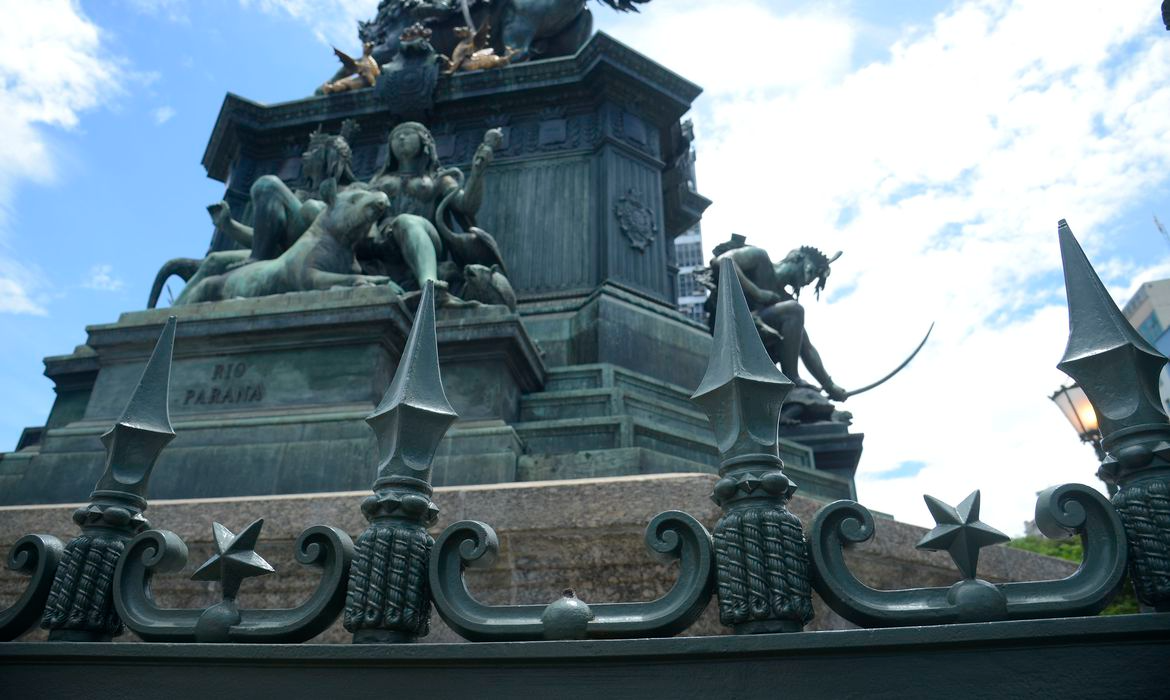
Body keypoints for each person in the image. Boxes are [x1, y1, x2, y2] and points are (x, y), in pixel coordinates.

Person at [707, 237, 848, 401]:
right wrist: (757, 292)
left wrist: (829, 385)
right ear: (797, 258)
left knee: (794, 312)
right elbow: (723, 262)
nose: (808, 282)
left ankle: (791, 382)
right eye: (809, 272)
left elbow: (806, 348)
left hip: (756, 337)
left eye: (813, 279)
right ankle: (792, 378)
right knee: (794, 310)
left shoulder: (784, 300)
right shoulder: (760, 258)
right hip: (733, 329)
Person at [367, 121, 501, 289]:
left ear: (424, 141)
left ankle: (429, 283)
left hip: (427, 237)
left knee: (406, 221)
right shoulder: (379, 180)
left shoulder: (439, 178)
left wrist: (477, 172)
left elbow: (466, 205)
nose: (401, 138)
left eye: (408, 133)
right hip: (385, 242)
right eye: (395, 137)